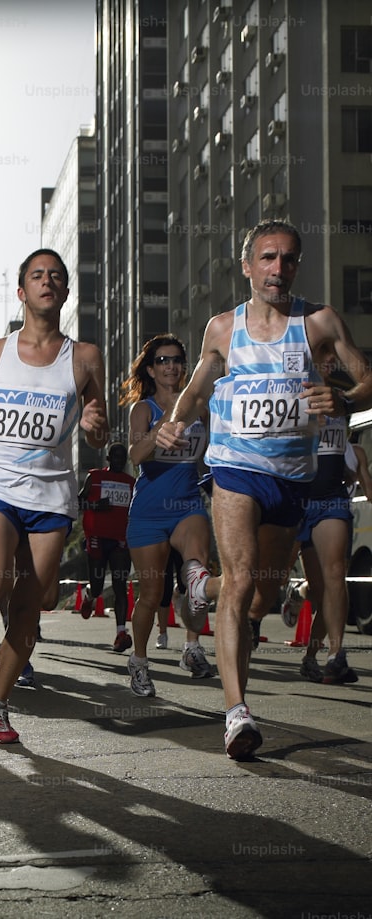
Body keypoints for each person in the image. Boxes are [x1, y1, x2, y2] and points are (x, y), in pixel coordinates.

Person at [157, 219, 372, 760]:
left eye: (290, 259)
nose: (279, 269)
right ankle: (237, 714)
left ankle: (199, 586)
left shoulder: (319, 322)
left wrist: (344, 400)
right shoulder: (223, 329)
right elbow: (196, 387)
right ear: (248, 265)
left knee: (262, 596)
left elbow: (365, 377)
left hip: (292, 481)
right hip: (235, 470)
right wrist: (175, 422)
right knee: (244, 582)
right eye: (269, 259)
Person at [0, 248, 109, 743]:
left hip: (52, 493)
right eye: (38, 275)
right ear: (22, 291)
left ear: (64, 292)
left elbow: (98, 429)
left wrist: (94, 424)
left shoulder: (84, 357)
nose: (48, 282)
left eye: (57, 276)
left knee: (35, 602)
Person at [120, 334, 220, 698]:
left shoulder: (199, 407)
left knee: (196, 574)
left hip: (187, 505)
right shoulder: (144, 409)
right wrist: (156, 435)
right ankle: (140, 661)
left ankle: (192, 647)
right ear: (151, 368)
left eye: (177, 359)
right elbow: (135, 454)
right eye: (163, 360)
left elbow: (211, 454)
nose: (172, 366)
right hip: (148, 512)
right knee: (150, 595)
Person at [297, 417, 372, 683]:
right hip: (300, 505)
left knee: (335, 577)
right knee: (318, 590)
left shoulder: (356, 452)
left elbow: (369, 490)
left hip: (333, 506)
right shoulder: (300, 413)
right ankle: (297, 595)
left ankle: (335, 654)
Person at [78, 443, 136, 651]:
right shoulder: (94, 478)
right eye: (116, 458)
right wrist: (95, 505)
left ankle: (121, 632)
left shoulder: (132, 483)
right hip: (97, 537)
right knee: (98, 585)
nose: (120, 461)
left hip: (120, 540)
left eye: (123, 458)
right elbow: (76, 503)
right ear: (109, 459)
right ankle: (90, 595)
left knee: (120, 585)